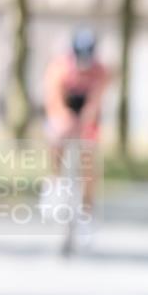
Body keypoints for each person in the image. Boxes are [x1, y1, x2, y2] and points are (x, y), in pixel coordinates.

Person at [42, 27, 109, 217]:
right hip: (63, 106)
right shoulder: (59, 68)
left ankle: (87, 205)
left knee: (89, 154)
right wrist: (64, 120)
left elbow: (95, 102)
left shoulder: (100, 71)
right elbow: (53, 99)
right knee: (56, 138)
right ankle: (55, 182)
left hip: (87, 111)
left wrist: (86, 122)